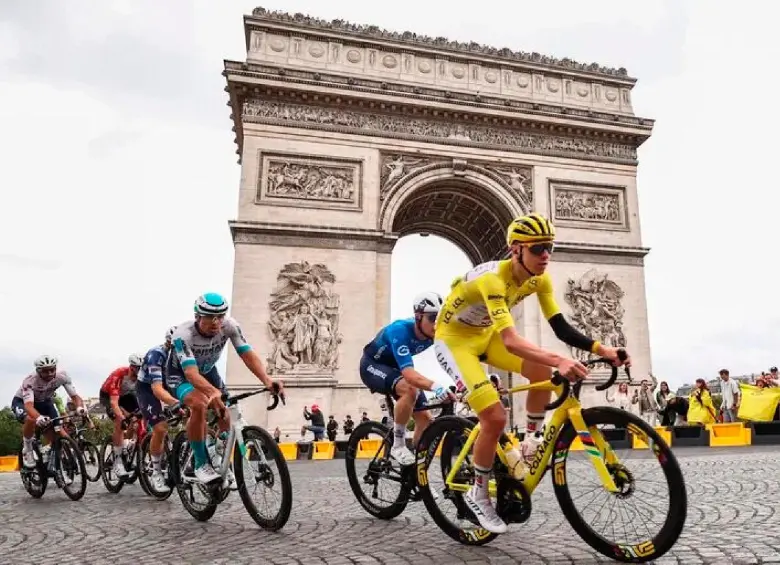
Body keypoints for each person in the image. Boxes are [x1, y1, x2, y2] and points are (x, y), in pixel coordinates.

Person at [434, 213, 629, 533]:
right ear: (516, 250)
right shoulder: (492, 280)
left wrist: (603, 349)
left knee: (541, 369)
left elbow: (561, 327)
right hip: (455, 341)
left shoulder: (541, 279)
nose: (546, 255)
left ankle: (532, 439)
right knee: (494, 417)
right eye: (538, 248)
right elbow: (512, 341)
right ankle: (477, 494)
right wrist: (560, 360)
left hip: (485, 334)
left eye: (550, 247)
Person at [166, 292, 284, 485]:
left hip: (208, 371)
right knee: (199, 404)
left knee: (227, 410)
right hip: (180, 375)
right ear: (197, 316)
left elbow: (247, 354)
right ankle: (200, 464)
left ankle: (219, 456)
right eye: (209, 317)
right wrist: (212, 392)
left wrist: (267, 380)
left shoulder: (230, 326)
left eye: (220, 316)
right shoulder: (183, 334)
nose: (216, 322)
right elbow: (191, 373)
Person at [359, 291, 456, 466]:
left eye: (441, 318)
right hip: (372, 365)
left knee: (425, 420)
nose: (437, 324)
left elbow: (454, 359)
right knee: (410, 389)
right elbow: (410, 375)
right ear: (418, 317)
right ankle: (398, 444)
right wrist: (437, 387)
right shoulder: (400, 330)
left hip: (396, 369)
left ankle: (415, 472)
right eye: (432, 318)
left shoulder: (435, 334)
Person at [11, 355, 88, 468]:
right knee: (30, 419)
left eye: (52, 370)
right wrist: (39, 417)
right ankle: (27, 448)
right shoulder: (30, 381)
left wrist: (80, 408)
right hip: (22, 402)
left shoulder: (62, 376)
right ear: (38, 371)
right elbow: (29, 406)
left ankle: (52, 458)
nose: (50, 373)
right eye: (45, 371)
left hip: (44, 402)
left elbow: (75, 397)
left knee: (57, 432)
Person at [136, 326, 182, 492]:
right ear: (168, 343)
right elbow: (156, 389)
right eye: (174, 346)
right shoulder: (156, 354)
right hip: (148, 389)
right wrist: (174, 403)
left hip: (168, 385)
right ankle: (156, 472)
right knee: (160, 428)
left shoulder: (184, 354)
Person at [100, 354, 144, 478]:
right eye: (137, 369)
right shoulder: (120, 374)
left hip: (126, 396)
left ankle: (127, 445)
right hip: (109, 397)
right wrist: (122, 416)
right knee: (120, 421)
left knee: (138, 419)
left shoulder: (143, 376)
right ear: (131, 367)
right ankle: (117, 461)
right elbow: (114, 403)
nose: (139, 373)